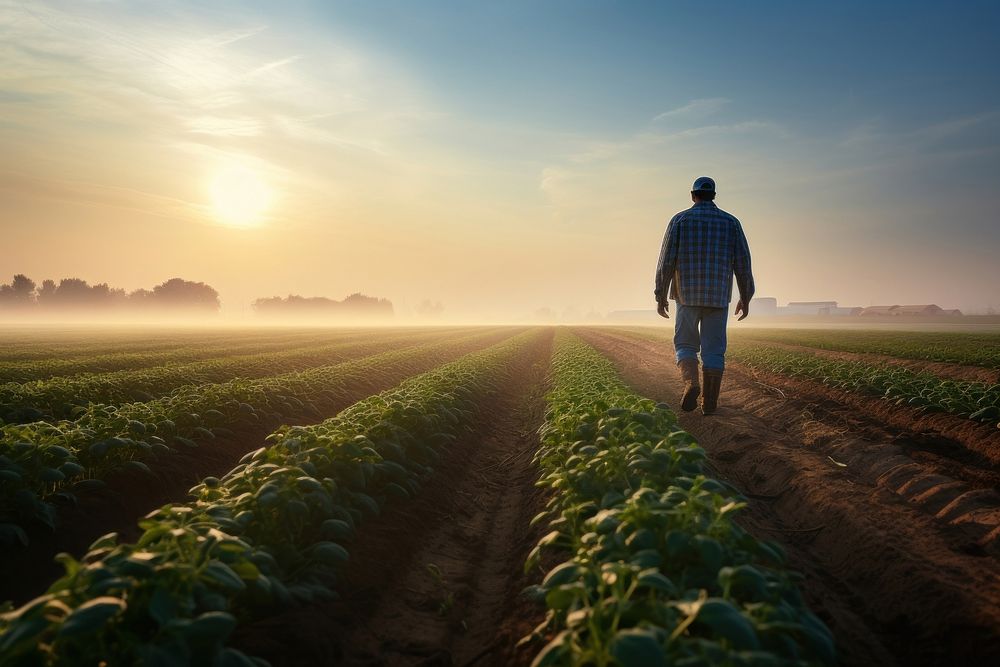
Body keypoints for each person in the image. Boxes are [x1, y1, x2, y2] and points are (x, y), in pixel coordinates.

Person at [653, 176, 755, 415]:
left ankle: (691, 383)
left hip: (686, 296)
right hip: (718, 297)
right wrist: (746, 296)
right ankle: (709, 404)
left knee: (686, 344)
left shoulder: (680, 220)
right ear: (714, 196)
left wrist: (660, 295)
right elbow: (743, 263)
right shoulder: (731, 222)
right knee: (714, 350)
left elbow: (666, 262)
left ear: (692, 195)